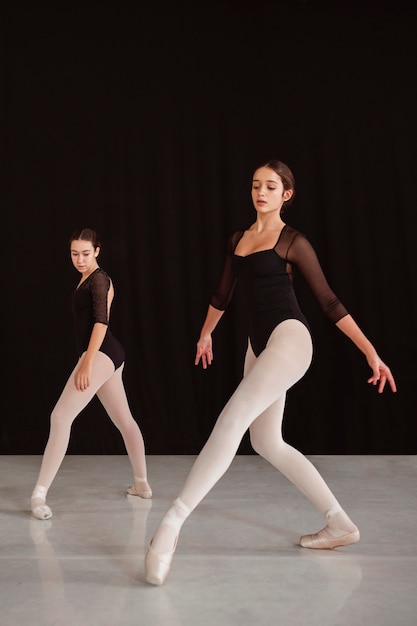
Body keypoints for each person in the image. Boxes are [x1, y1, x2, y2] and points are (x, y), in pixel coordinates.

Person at [144, 159, 397, 585]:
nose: (261, 192)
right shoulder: (239, 239)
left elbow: (330, 302)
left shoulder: (292, 241)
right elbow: (222, 295)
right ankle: (340, 524)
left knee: (232, 419)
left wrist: (371, 352)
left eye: (271, 186)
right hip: (256, 347)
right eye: (256, 185)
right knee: (267, 441)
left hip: (290, 339)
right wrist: (206, 334)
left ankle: (170, 525)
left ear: (287, 194)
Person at [31, 228, 151, 520]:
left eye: (86, 253)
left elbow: (101, 322)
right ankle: (141, 484)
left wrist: (87, 362)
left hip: (100, 354)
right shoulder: (90, 278)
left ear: (97, 251)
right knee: (124, 420)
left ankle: (39, 495)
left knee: (60, 417)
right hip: (109, 354)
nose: (80, 259)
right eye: (74, 254)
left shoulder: (99, 278)